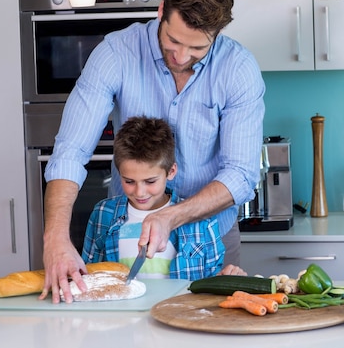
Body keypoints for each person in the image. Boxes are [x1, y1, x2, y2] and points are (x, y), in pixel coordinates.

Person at [41, 0, 264, 303]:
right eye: (173, 40)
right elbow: (71, 151)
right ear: (161, 11)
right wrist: (55, 237)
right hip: (126, 234)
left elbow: (241, 175)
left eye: (198, 48)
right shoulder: (116, 53)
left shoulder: (238, 69)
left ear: (217, 34)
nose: (182, 57)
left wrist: (169, 216)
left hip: (212, 235)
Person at [82, 116, 246, 279]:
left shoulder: (202, 221)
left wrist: (228, 276)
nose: (140, 192)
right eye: (129, 181)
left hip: (181, 305)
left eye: (150, 181)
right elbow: (87, 275)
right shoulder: (103, 214)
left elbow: (212, 282)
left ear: (171, 171)